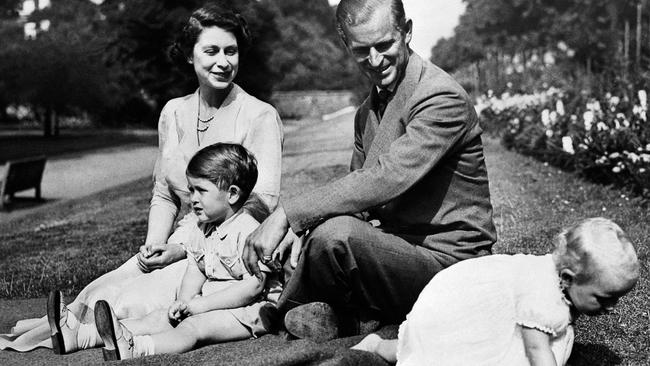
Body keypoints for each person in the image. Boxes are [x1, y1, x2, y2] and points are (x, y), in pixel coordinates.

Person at [0, 2, 283, 353]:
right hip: (176, 240)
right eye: (211, 51)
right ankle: (70, 329)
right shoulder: (173, 113)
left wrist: (182, 250)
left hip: (224, 250)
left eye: (231, 51)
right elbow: (164, 194)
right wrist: (153, 248)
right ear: (189, 55)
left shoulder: (260, 116)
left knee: (126, 302)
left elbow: (262, 203)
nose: (223, 61)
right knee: (98, 291)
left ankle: (90, 337)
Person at [244, 0, 496, 341]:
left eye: (384, 45)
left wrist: (289, 214)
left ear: (407, 31)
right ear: (347, 44)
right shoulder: (367, 112)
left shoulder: (440, 96)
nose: (375, 60)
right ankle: (352, 316)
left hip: (452, 264)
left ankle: (279, 314)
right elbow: (358, 203)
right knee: (325, 234)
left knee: (337, 236)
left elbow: (386, 178)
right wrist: (302, 233)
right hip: (396, 251)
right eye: (362, 50)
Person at [51, 143, 281, 360]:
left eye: (201, 191)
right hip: (212, 300)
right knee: (158, 317)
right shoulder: (203, 228)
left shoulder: (250, 230)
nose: (193, 200)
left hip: (253, 311)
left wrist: (197, 306)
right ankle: (81, 336)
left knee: (193, 328)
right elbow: (195, 269)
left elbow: (253, 287)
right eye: (191, 190)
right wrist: (183, 302)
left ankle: (136, 348)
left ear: (232, 194)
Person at [351, 217, 640, 366]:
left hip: (475, 308)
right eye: (604, 298)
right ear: (567, 278)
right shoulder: (544, 298)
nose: (613, 307)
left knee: (420, 351)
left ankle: (379, 346)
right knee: (442, 355)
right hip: (459, 313)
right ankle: (376, 347)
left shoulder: (553, 279)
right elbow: (537, 350)